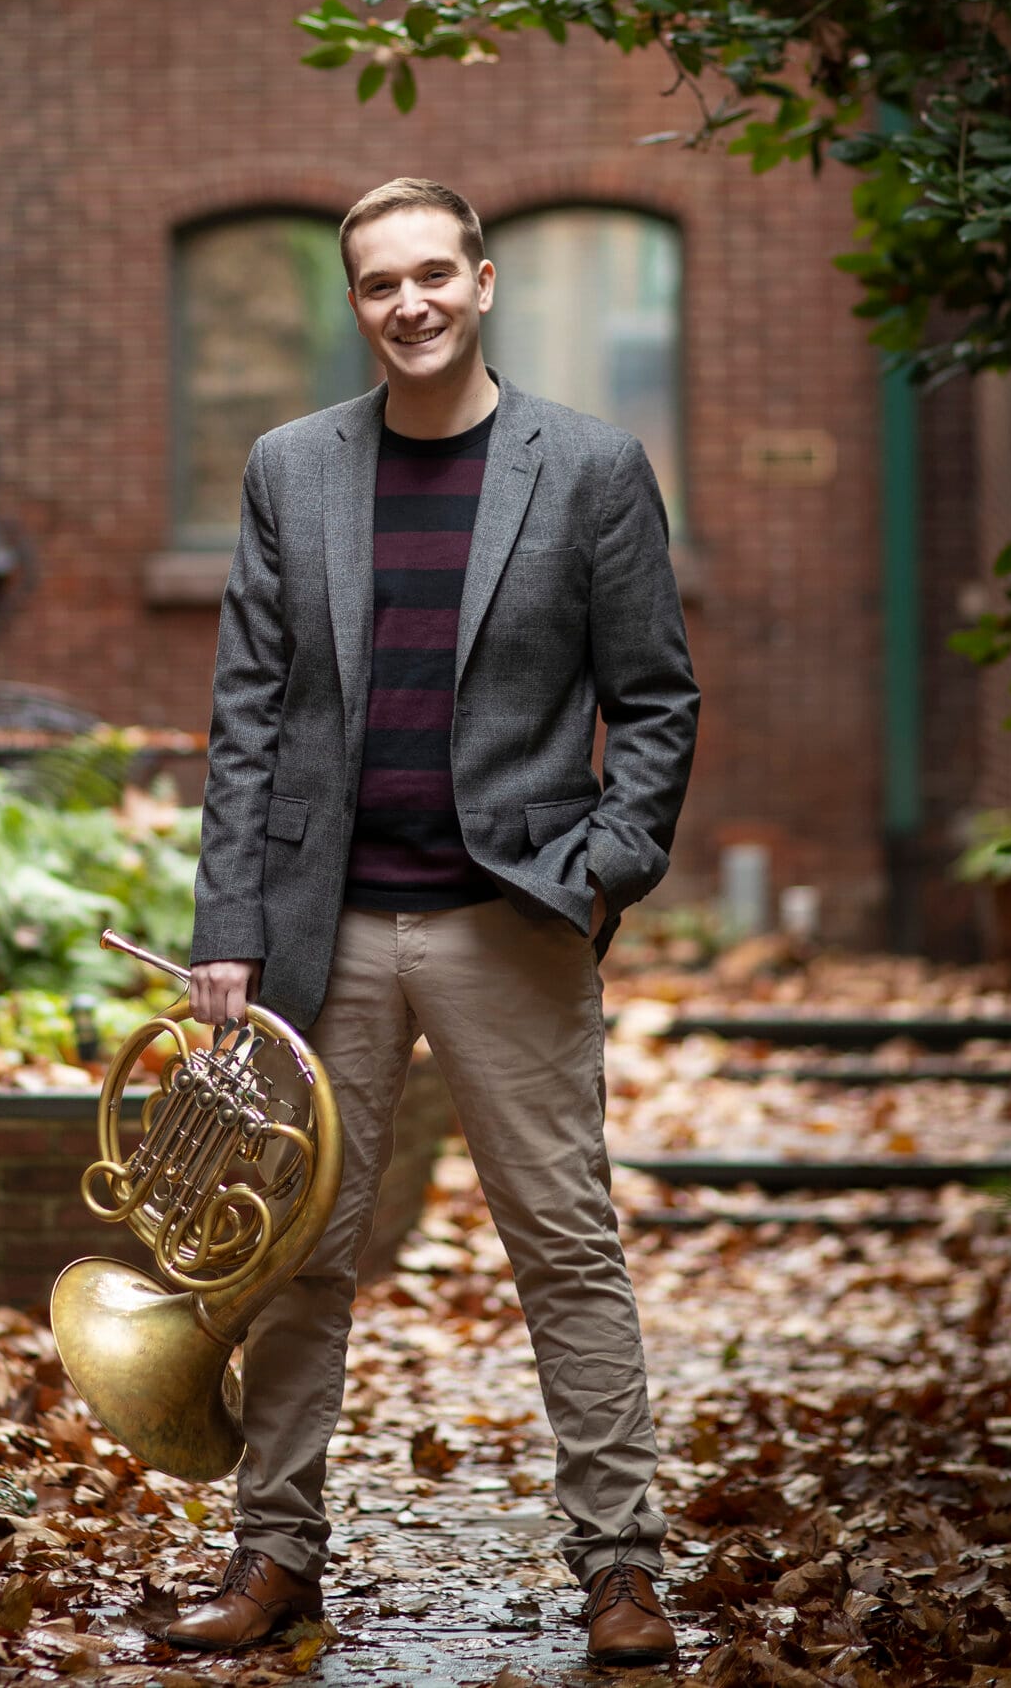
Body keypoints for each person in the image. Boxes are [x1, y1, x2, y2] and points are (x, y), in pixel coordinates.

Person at [160, 177, 699, 1668]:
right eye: (378, 283)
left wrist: (606, 861)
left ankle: (620, 1568)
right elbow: (247, 715)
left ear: (484, 279)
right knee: (298, 1256)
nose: (408, 303)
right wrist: (230, 928)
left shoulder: (589, 467)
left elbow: (655, 699)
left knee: (566, 1247)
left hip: (510, 917)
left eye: (431, 275)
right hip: (322, 931)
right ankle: (276, 1559)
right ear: (357, 302)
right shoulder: (292, 468)